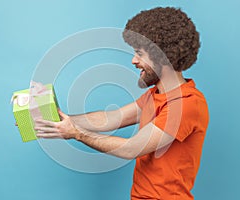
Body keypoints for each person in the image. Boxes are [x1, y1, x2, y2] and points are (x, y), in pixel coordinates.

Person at [34, 7, 209, 200]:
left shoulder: (186, 104)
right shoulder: (155, 95)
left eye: (140, 54)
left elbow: (132, 148)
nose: (133, 60)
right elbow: (110, 118)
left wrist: (76, 133)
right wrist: (55, 117)